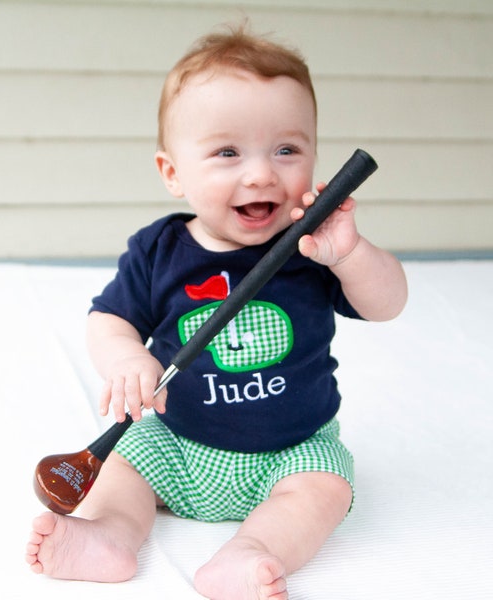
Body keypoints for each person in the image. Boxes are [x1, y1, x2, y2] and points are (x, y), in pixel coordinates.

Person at [26, 24, 408, 600]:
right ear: (173, 173)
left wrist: (351, 252)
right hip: (178, 442)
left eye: (286, 149)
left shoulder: (314, 246)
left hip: (292, 448)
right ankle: (108, 535)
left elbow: (388, 303)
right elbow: (109, 318)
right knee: (124, 464)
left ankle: (252, 551)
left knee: (325, 487)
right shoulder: (161, 250)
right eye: (228, 152)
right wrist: (126, 357)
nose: (260, 173)